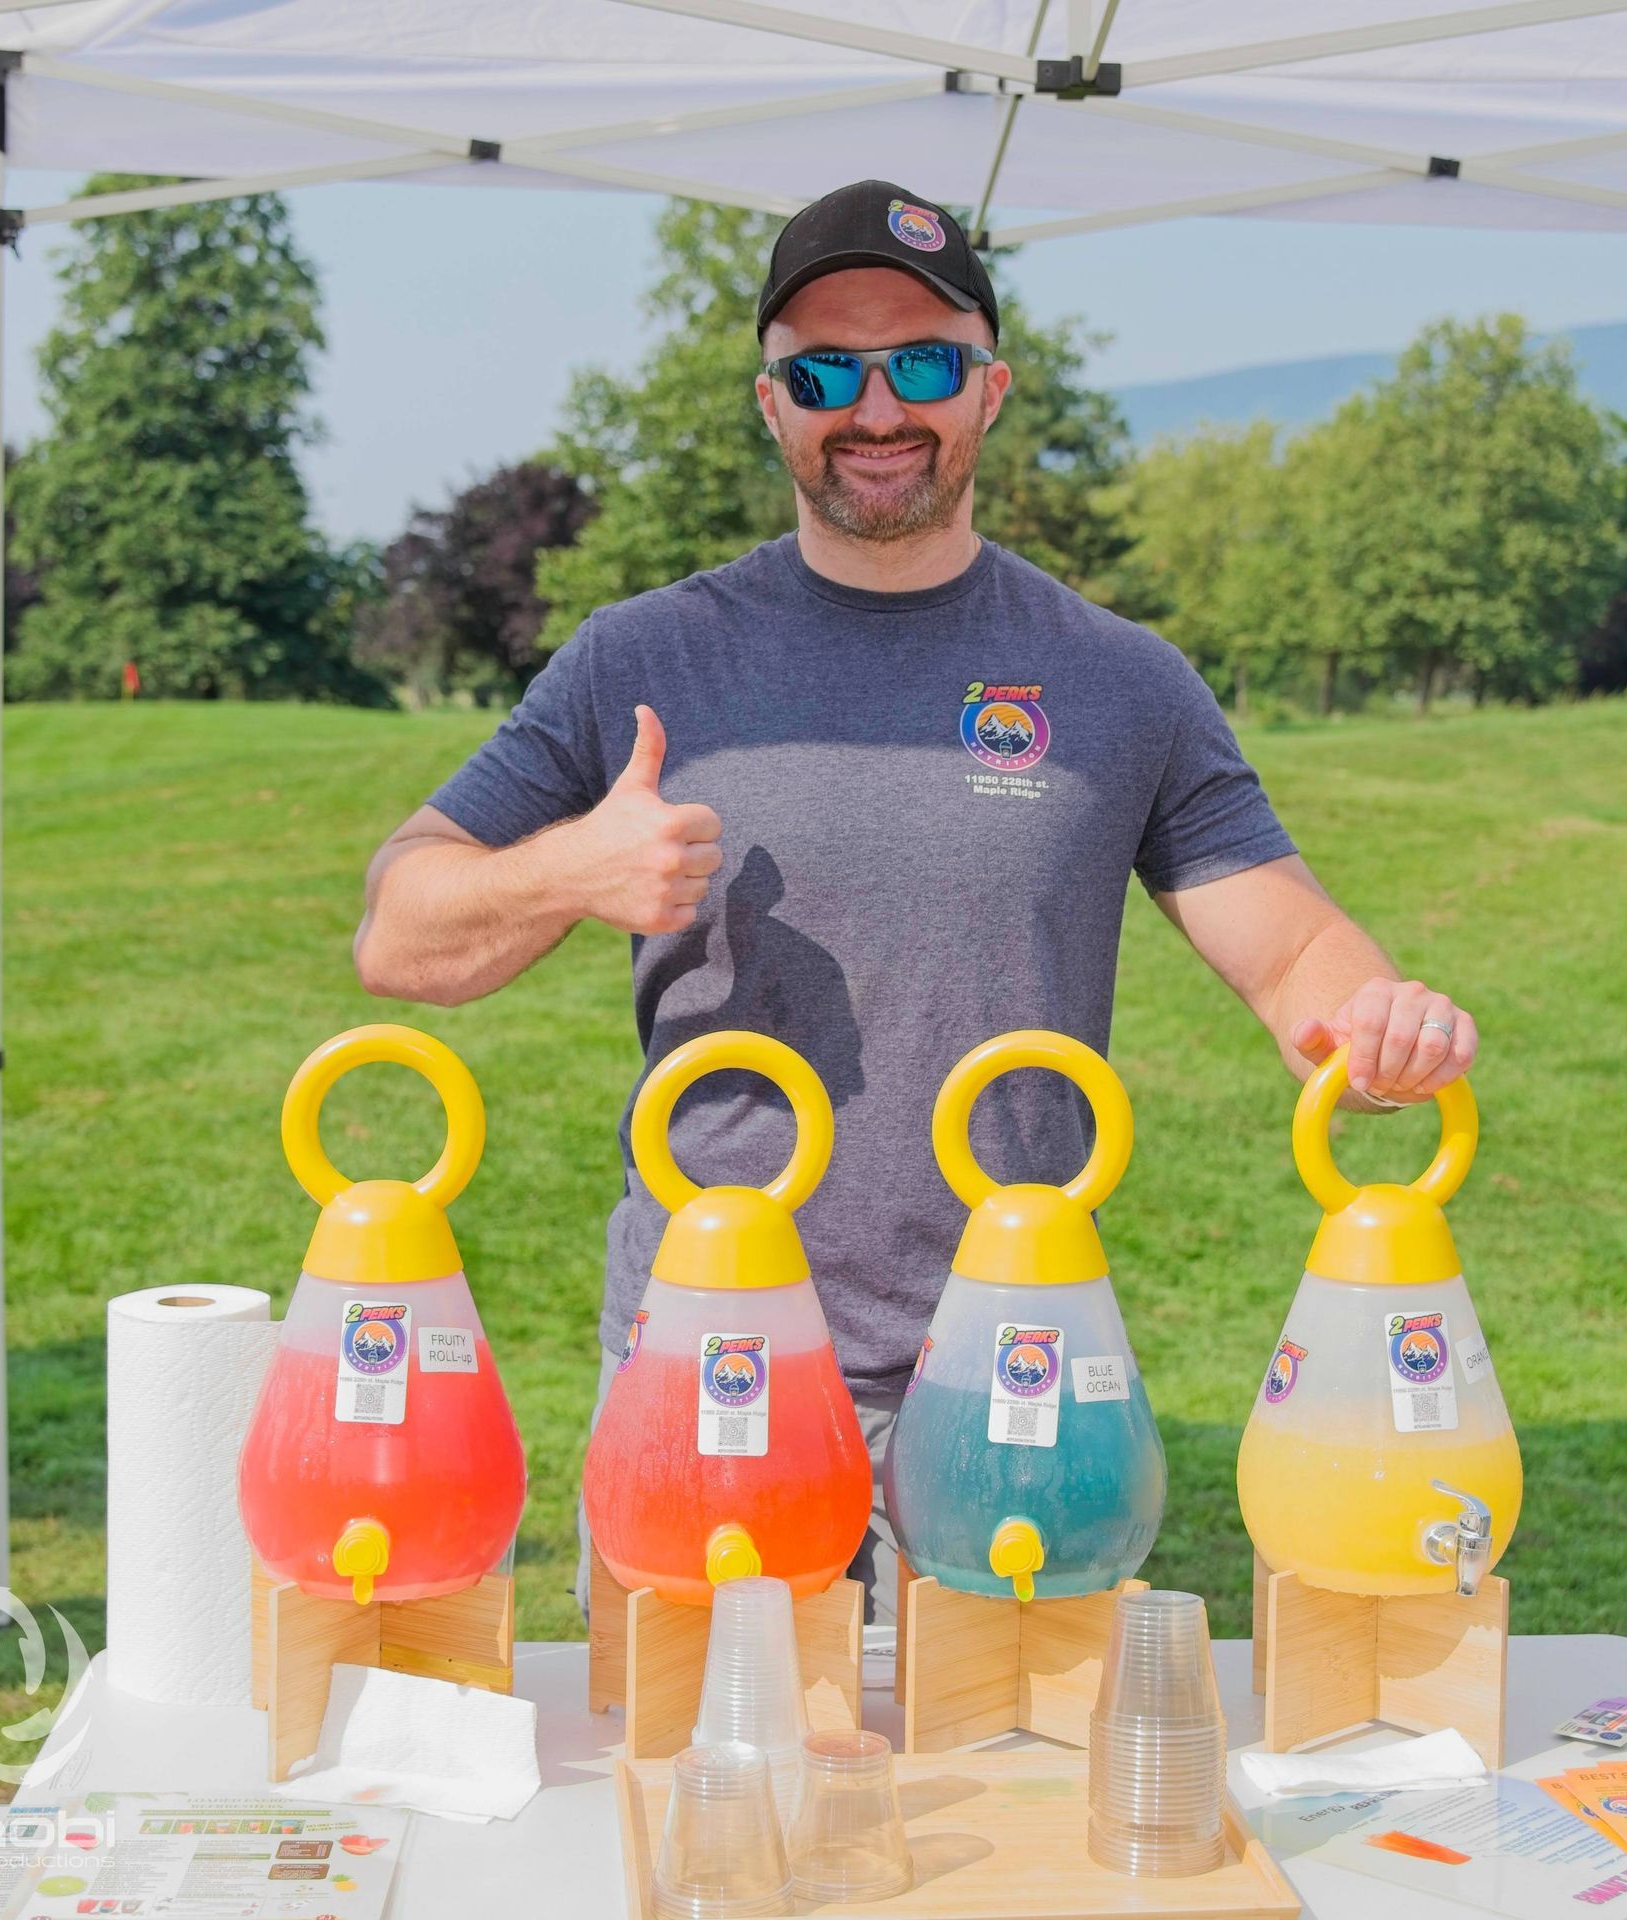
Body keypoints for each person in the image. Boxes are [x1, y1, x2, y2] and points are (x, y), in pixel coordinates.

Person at [353, 179, 1478, 1623]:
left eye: (924, 364)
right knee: (705, 1816)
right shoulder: (641, 658)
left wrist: (1382, 1030)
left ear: (990, 390)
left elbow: (1301, 954)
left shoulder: (1121, 682)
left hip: (1013, 1369)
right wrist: (569, 871)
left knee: (1001, 1817)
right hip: (714, 1364)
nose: (875, 408)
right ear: (772, 404)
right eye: (826, 371)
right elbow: (400, 928)